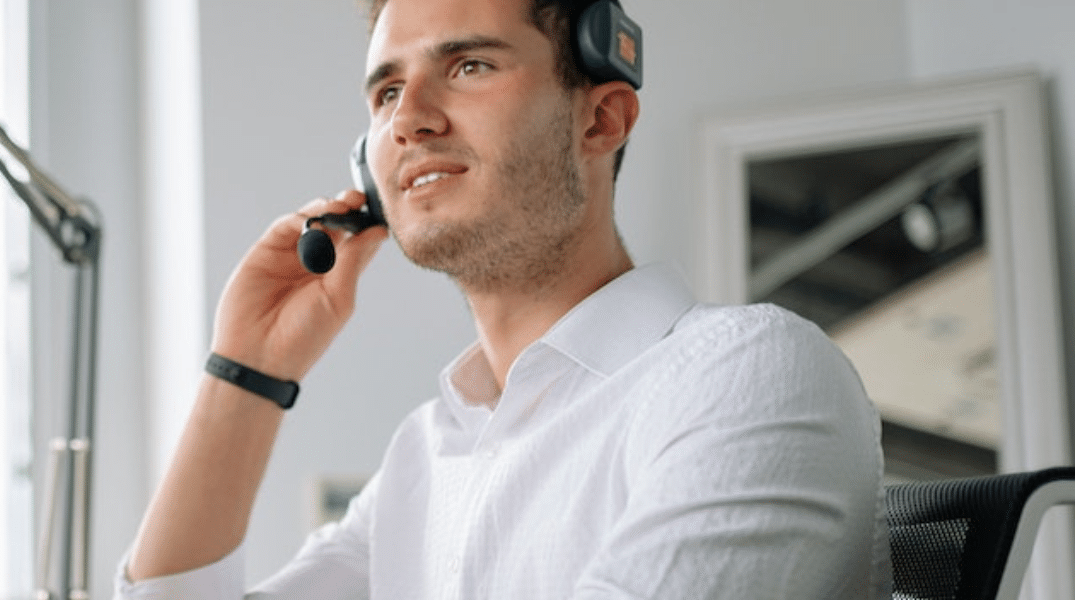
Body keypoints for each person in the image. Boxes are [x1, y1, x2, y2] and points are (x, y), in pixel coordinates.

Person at [115, 0, 886, 597]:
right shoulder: (429, 452)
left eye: (470, 66)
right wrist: (245, 373)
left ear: (600, 118)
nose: (409, 118)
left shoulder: (744, 374)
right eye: (386, 91)